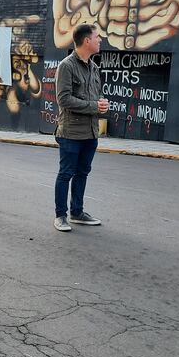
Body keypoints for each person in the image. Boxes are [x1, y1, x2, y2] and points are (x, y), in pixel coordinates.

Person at [53, 23, 109, 232]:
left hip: (91, 131)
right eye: (97, 37)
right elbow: (64, 99)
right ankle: (60, 216)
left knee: (83, 173)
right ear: (87, 40)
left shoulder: (94, 68)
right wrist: (94, 106)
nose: (100, 40)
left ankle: (77, 212)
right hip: (70, 132)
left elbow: (93, 97)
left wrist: (101, 103)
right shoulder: (66, 66)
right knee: (66, 173)